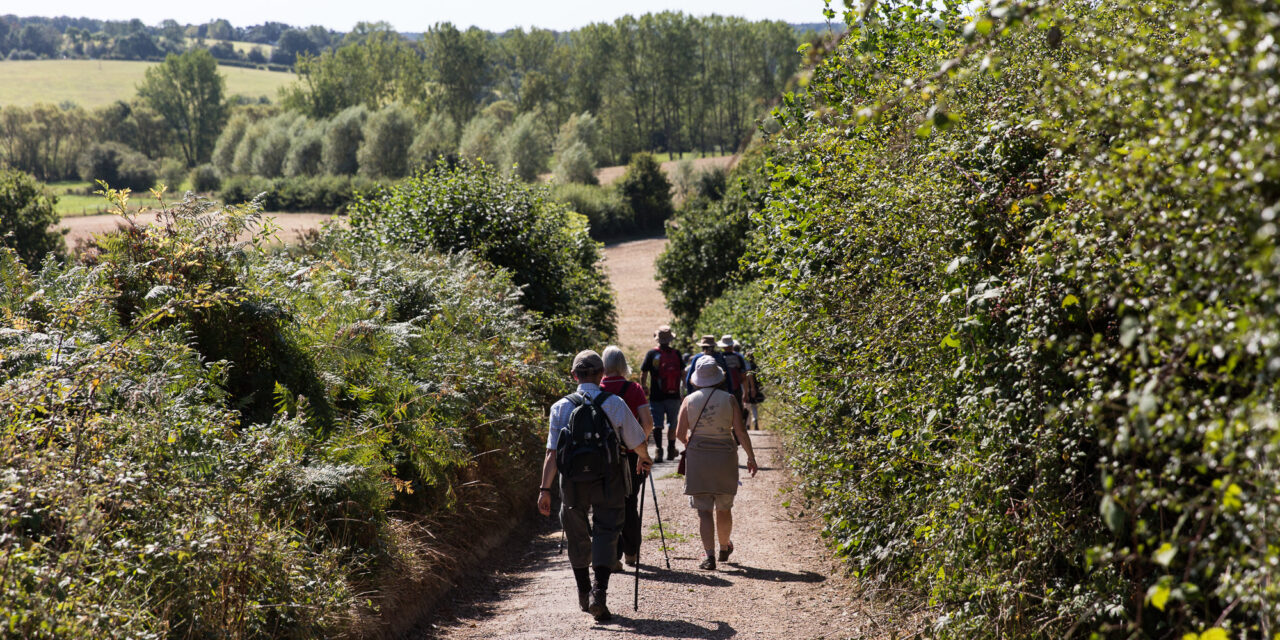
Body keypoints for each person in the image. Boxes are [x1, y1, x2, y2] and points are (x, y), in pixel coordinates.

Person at [538, 350, 654, 621]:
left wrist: (544, 490)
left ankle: (583, 592)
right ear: (601, 375)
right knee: (607, 529)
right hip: (609, 478)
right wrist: (645, 460)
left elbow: (552, 454)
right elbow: (637, 440)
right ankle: (598, 593)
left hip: (572, 483)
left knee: (577, 533)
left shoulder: (560, 407)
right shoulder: (614, 403)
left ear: (573, 375)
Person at [675, 358, 758, 570]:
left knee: (703, 511)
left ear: (697, 379)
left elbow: (679, 433)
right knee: (724, 507)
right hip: (725, 457)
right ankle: (723, 547)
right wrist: (751, 457)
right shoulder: (729, 399)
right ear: (718, 377)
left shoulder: (689, 400)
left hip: (699, 459)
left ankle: (709, 556)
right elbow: (740, 431)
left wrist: (692, 445)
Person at [600, 345, 654, 569]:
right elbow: (648, 422)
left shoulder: (596, 388)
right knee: (630, 502)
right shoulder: (634, 388)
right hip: (631, 455)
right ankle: (631, 552)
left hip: (602, 456)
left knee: (606, 504)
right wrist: (640, 447)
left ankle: (613, 553)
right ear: (622, 365)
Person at [640, 325, 684, 462]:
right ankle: (671, 450)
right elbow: (683, 374)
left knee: (657, 424)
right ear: (670, 339)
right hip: (674, 395)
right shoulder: (676, 354)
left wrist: (644, 386)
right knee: (672, 423)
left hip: (656, 396)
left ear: (658, 339)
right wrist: (683, 390)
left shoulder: (652, 354)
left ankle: (659, 451)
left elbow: (644, 373)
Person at [719, 335, 748, 403]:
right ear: (732, 345)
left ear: (723, 346)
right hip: (737, 388)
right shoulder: (738, 357)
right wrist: (745, 392)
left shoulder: (720, 358)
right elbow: (744, 376)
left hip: (724, 390)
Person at [742, 351, 764, 430]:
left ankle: (747, 425)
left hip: (746, 388)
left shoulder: (744, 366)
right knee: (754, 407)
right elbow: (760, 379)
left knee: (747, 407)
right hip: (755, 388)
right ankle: (755, 422)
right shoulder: (756, 366)